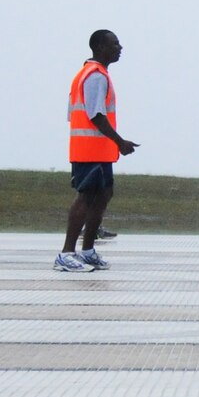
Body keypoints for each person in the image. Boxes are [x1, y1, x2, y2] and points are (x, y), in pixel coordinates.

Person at [59, 29, 136, 272]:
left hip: (99, 151)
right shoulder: (94, 76)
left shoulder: (97, 74)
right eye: (115, 44)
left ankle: (88, 250)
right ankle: (66, 253)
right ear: (101, 47)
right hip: (89, 150)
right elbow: (96, 115)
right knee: (86, 197)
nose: (120, 48)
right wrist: (120, 142)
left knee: (104, 194)